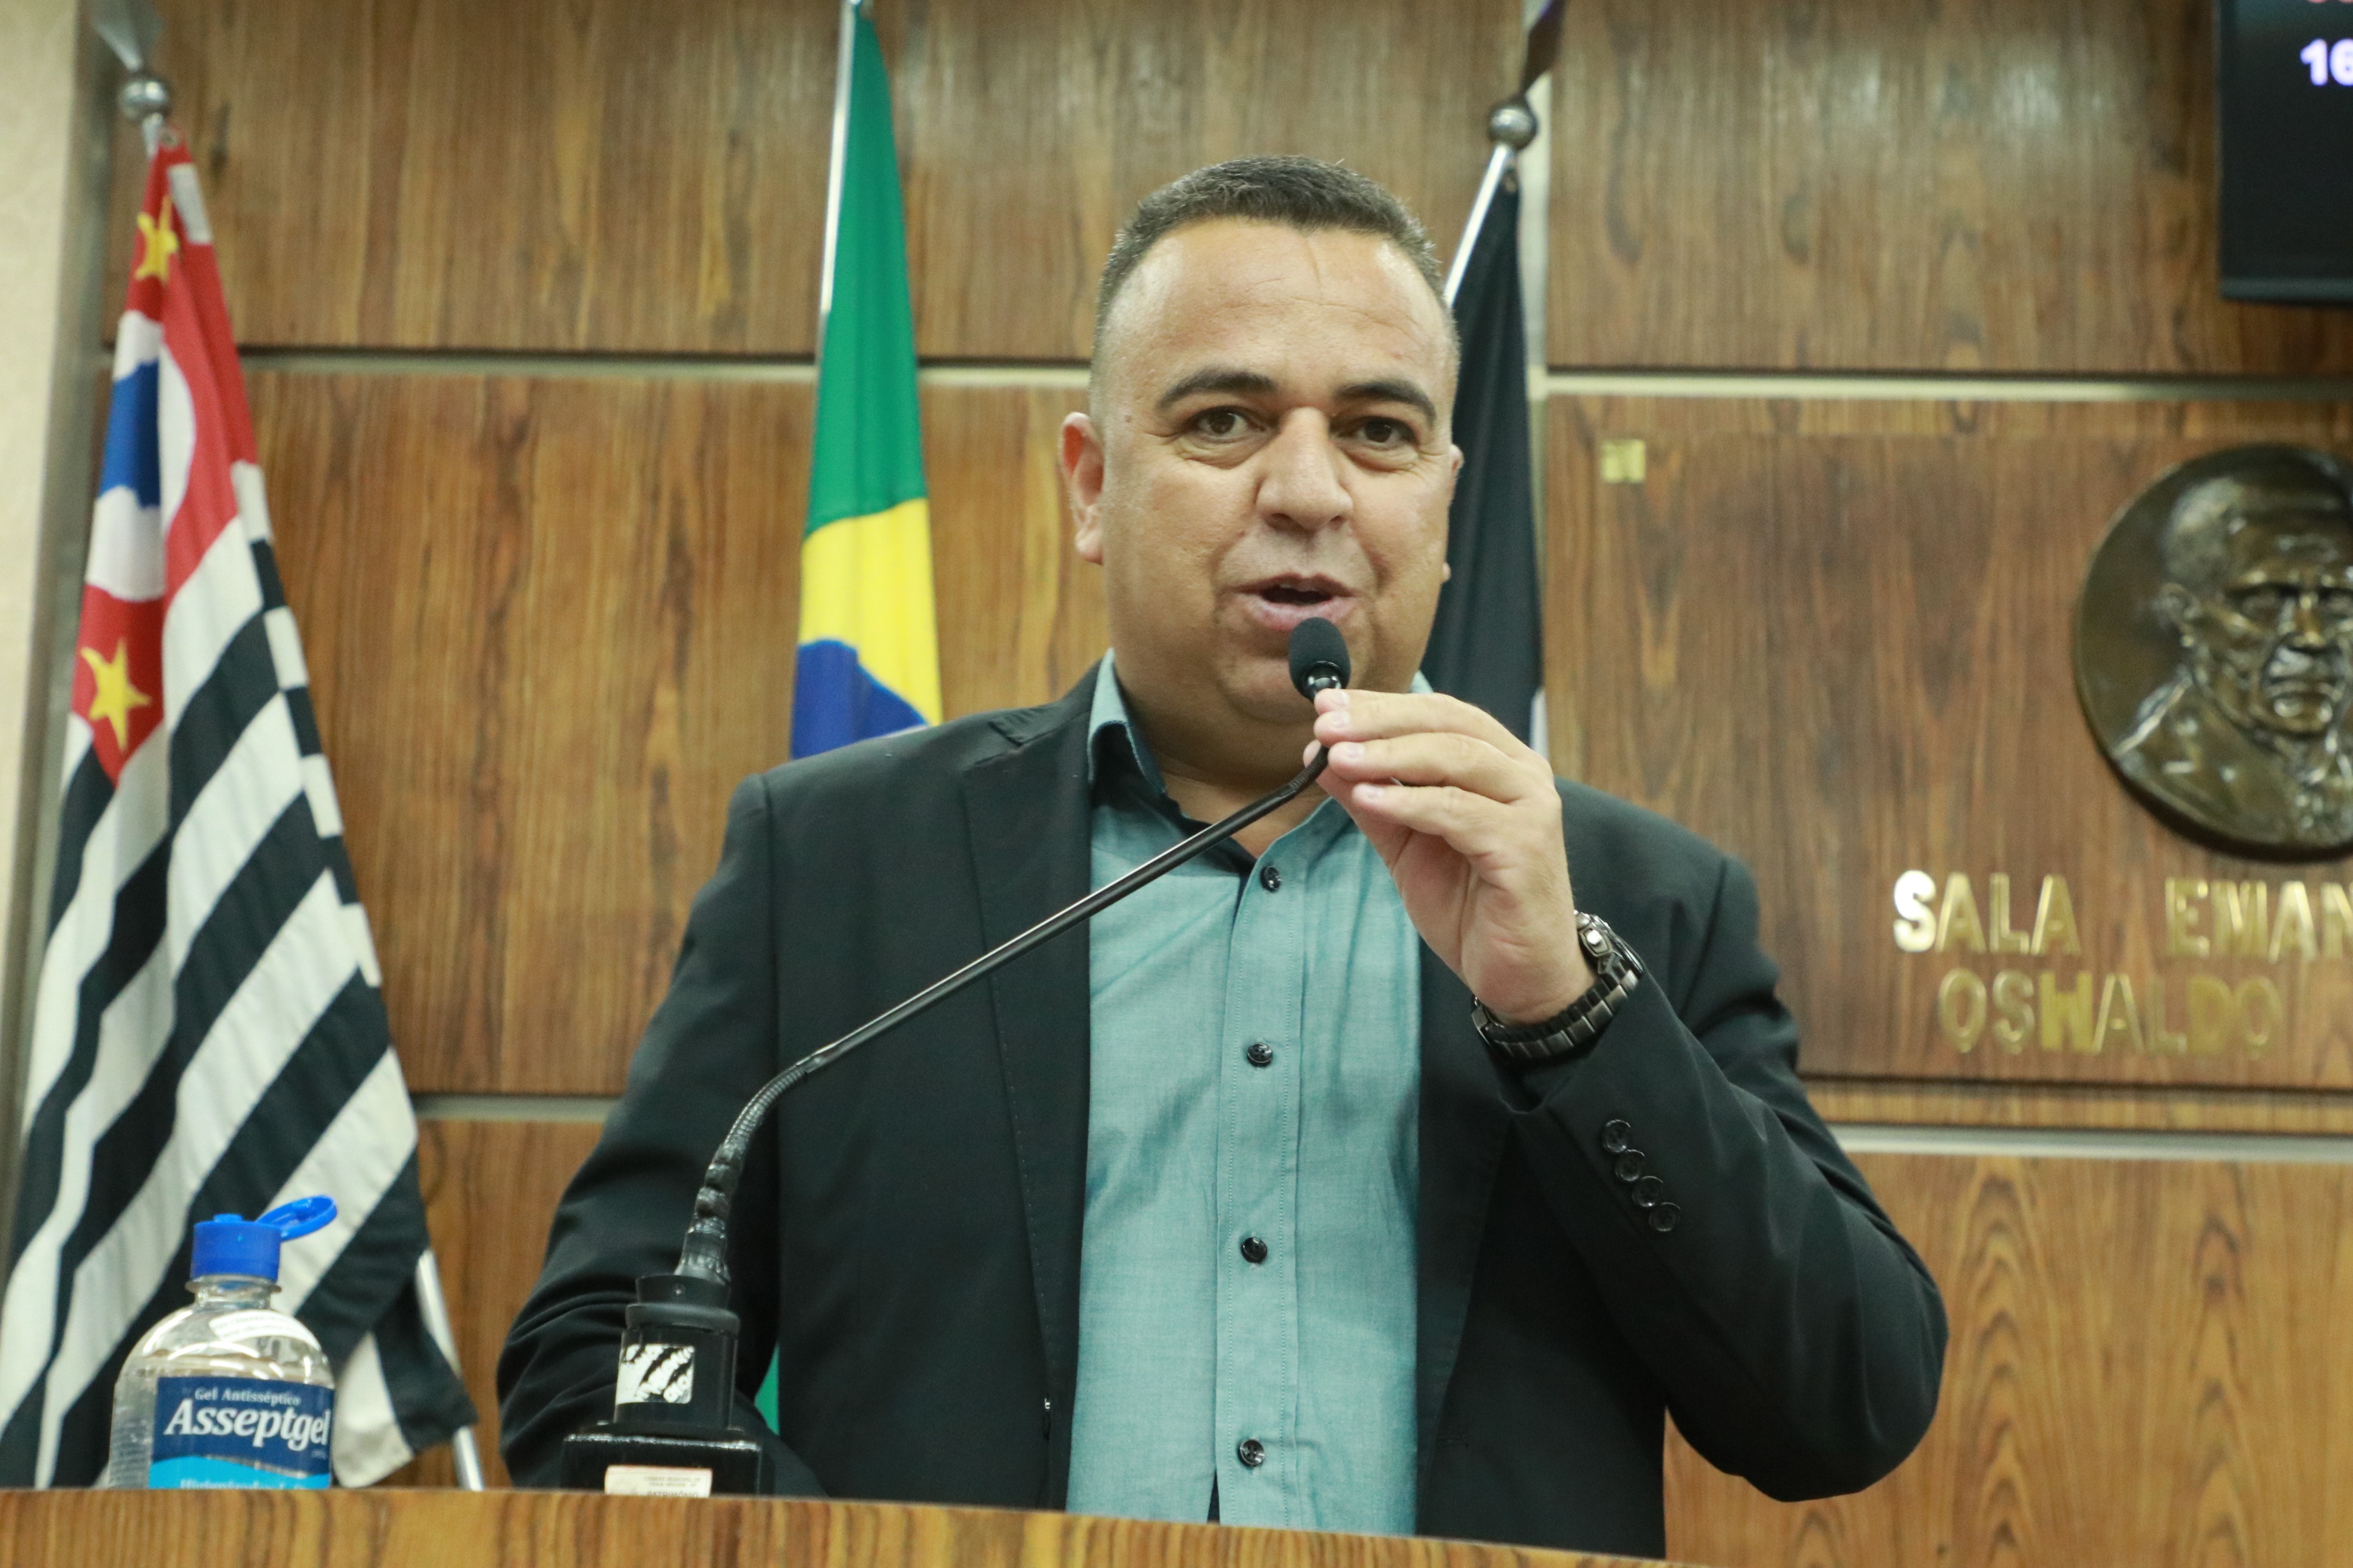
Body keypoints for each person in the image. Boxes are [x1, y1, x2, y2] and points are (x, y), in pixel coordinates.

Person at [498, 157, 1945, 1558]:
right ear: (1090, 484)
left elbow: (1845, 1405)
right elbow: (595, 1360)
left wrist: (1568, 1016)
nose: (1308, 489)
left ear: (1443, 502)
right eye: (1224, 421)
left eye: (1377, 431)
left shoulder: (1631, 904)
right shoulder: (836, 864)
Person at [2114, 453, 2353, 847]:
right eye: (2265, 601)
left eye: (2339, 602)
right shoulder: (2166, 767)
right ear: (2186, 614)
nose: (2312, 636)